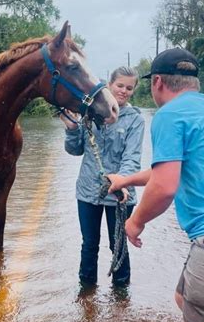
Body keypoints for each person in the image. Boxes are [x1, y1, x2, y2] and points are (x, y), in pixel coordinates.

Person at [108, 48, 204, 322]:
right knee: (184, 299)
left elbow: (166, 187)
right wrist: (126, 179)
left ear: (157, 82)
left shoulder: (169, 115)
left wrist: (135, 222)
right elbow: (168, 172)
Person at [61, 66, 145, 287]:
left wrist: (123, 182)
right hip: (88, 191)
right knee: (89, 244)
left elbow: (132, 158)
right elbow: (75, 149)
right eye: (120, 85)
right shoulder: (90, 112)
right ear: (109, 85)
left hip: (120, 194)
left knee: (118, 244)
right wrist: (71, 129)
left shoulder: (135, 120)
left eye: (129, 88)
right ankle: (86, 294)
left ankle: (121, 295)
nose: (124, 91)